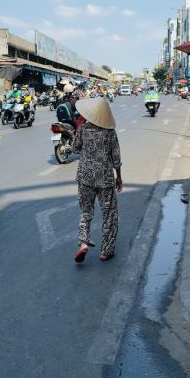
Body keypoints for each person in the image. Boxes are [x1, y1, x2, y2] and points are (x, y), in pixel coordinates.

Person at [72, 97, 122, 264]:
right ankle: (106, 251)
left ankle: (83, 243)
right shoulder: (110, 132)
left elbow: (75, 148)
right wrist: (119, 178)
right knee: (109, 214)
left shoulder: (83, 128)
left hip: (85, 176)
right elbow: (116, 157)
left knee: (85, 212)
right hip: (105, 179)